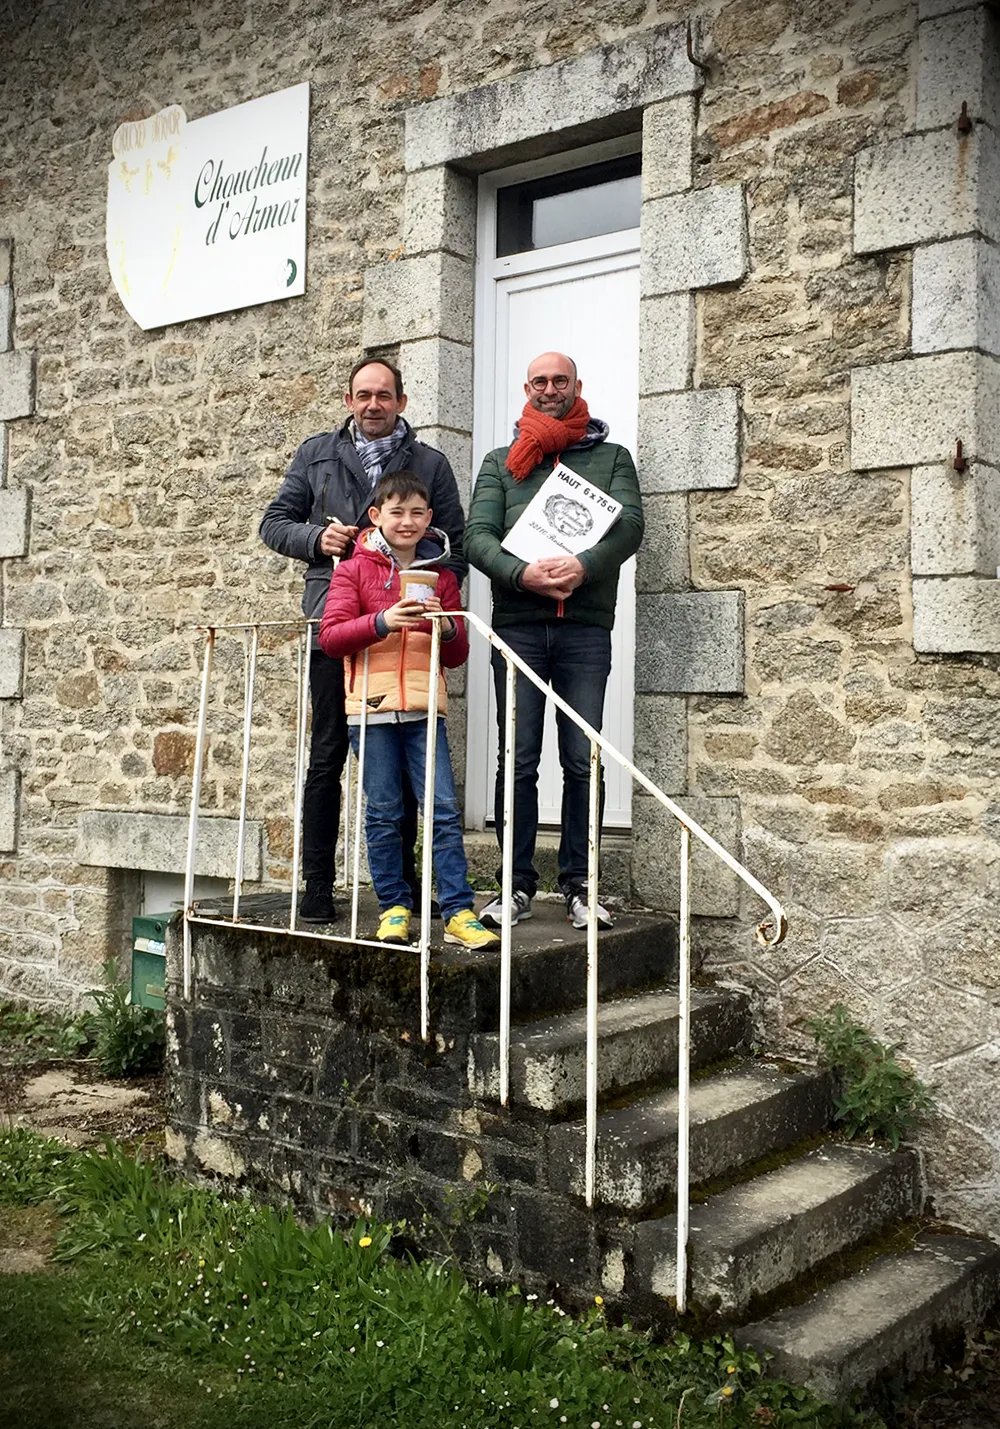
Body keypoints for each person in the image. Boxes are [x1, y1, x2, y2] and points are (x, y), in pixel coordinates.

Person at [259, 357, 466, 924]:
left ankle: (404, 890)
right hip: (336, 620)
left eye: (384, 395)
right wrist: (315, 537)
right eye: (363, 395)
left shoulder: (429, 462)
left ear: (400, 401)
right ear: (349, 400)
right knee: (327, 753)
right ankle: (318, 883)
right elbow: (273, 523)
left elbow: (456, 544)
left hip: (406, 631)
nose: (373, 404)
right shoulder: (316, 454)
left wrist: (434, 597)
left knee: (401, 761)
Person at [464, 350, 644, 931]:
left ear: (576, 386)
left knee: (581, 759)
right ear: (526, 388)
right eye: (539, 381)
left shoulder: (613, 457)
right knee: (516, 760)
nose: (549, 389)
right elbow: (478, 537)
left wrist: (584, 567)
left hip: (585, 628)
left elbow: (630, 526)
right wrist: (522, 575)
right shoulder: (500, 462)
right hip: (518, 625)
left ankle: (580, 884)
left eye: (558, 380)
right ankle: (513, 887)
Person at [318, 471, 499, 951]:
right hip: (371, 709)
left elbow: (457, 655)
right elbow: (331, 637)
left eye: (417, 512)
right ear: (377, 516)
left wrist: (445, 625)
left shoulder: (442, 575)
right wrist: (382, 621)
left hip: (423, 708)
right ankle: (394, 908)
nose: (407, 521)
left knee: (441, 811)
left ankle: (458, 911)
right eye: (397, 512)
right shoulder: (354, 569)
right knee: (383, 813)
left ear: (429, 519)